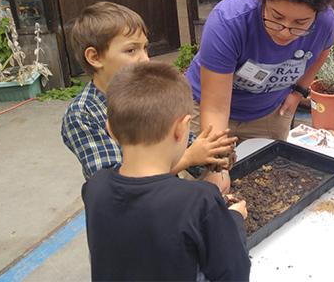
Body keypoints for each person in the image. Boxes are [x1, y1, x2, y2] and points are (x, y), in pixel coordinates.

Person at [83, 62, 251, 281]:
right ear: (182, 128)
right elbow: (234, 273)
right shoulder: (199, 200)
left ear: (110, 130)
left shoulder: (95, 187)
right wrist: (234, 219)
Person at [61, 2, 235, 187]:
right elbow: (115, 186)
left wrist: (214, 154)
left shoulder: (152, 93)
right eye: (131, 50)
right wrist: (189, 158)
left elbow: (189, 145)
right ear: (95, 57)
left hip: (164, 196)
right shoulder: (82, 115)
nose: (145, 59)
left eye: (145, 48)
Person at [185, 0, 334, 144]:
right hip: (204, 107)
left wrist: (299, 92)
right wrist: (215, 167)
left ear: (317, 14)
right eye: (276, 17)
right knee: (204, 171)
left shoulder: (325, 23)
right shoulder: (228, 22)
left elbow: (323, 51)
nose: (285, 32)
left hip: (269, 113)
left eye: (300, 22)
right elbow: (215, 110)